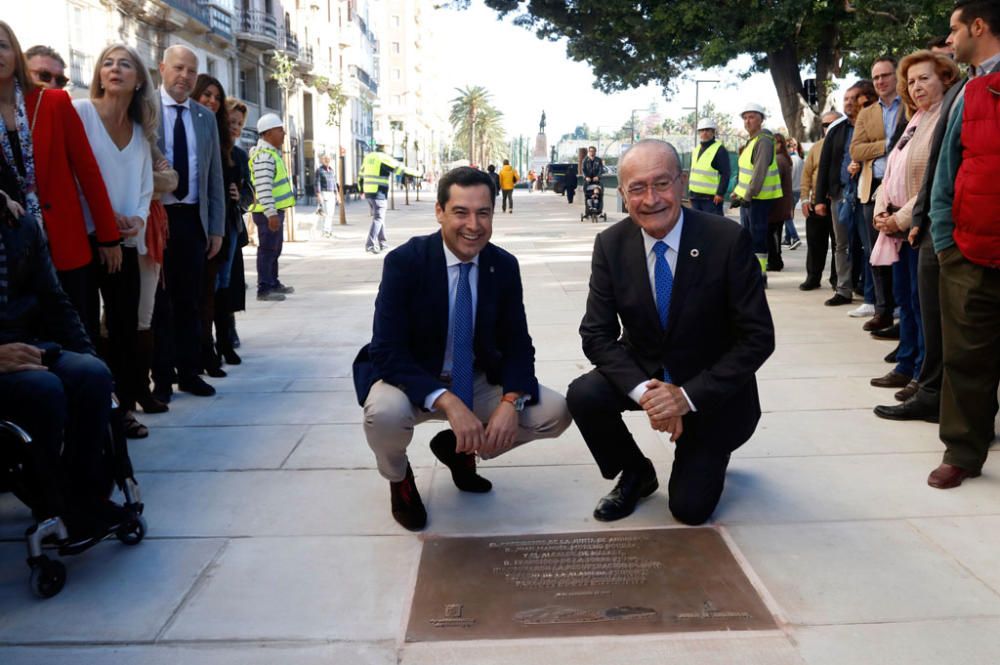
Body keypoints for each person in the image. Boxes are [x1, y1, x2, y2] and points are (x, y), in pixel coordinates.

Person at [566, 140, 774, 525]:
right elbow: (596, 334)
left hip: (712, 391)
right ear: (623, 193)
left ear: (681, 183)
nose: (651, 199)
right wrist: (650, 395)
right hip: (648, 370)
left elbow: (758, 337)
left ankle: (707, 450)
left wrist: (686, 398)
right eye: (637, 188)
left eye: (661, 184)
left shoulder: (725, 240)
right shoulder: (611, 244)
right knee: (584, 395)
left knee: (689, 510)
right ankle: (636, 472)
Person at [353, 166, 572, 531]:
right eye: (460, 212)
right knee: (384, 414)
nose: (474, 224)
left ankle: (457, 449)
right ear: (439, 212)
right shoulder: (406, 262)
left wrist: (510, 401)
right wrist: (448, 402)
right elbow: (386, 350)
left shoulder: (502, 266)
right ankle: (399, 478)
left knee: (555, 412)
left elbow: (518, 343)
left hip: (477, 378)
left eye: (483, 213)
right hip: (412, 380)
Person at [0, 170, 123, 542]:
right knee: (44, 389)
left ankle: (82, 496)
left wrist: (88, 353)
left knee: (92, 375)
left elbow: (55, 300)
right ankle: (55, 504)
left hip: (28, 343)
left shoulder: (20, 224)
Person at [0, 23, 121, 343]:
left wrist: (108, 237)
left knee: (79, 331)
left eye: (2, 45)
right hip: (10, 244)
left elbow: (88, 171)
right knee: (26, 337)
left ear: (16, 53)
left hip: (63, 239)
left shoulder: (52, 102)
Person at [924, 0, 1000, 489]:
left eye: (954, 29)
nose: (950, 39)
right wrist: (946, 243)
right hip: (970, 254)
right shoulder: (969, 93)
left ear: (979, 25)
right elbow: (945, 173)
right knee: (966, 359)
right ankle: (963, 450)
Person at [867, 51, 960, 403]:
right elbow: (891, 172)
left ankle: (923, 374)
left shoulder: (944, 118)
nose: (916, 86)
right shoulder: (915, 119)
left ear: (946, 79)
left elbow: (932, 181)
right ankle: (906, 363)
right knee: (905, 301)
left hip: (919, 226)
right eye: (911, 81)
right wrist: (881, 210)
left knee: (924, 308)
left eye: (925, 78)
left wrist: (900, 218)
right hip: (896, 226)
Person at [73, 43, 155, 439]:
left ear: (139, 80)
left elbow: (144, 186)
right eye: (107, 63)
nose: (115, 69)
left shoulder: (140, 132)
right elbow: (73, 176)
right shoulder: (80, 113)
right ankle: (91, 415)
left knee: (124, 330)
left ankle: (121, 409)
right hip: (85, 240)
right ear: (99, 75)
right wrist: (103, 222)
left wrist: (136, 220)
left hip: (124, 243)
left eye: (124, 64)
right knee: (86, 329)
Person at [151, 45, 225, 402]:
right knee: (157, 302)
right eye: (178, 68)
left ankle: (190, 372)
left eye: (191, 71)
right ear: (162, 68)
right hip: (155, 218)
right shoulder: (145, 110)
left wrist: (216, 228)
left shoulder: (204, 117)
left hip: (192, 221)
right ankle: (161, 378)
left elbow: (213, 176)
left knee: (189, 301)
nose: (184, 76)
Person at [850, 56, 907, 330]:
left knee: (903, 253)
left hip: (903, 186)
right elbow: (856, 151)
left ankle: (901, 309)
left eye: (886, 75)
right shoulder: (866, 113)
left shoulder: (910, 106)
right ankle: (883, 310)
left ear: (897, 75)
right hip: (871, 188)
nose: (881, 81)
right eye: (876, 77)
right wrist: (889, 144)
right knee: (876, 252)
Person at [815, 82, 874, 307]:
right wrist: (820, 198)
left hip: (867, 193)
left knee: (869, 245)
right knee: (842, 245)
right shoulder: (836, 130)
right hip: (840, 195)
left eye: (854, 98)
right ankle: (843, 289)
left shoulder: (874, 125)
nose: (849, 102)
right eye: (846, 99)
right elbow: (826, 164)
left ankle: (872, 293)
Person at [191, 74, 234, 377]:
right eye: (206, 95)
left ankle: (209, 351)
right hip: (187, 222)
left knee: (211, 293)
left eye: (216, 97)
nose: (211, 101)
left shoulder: (220, 135)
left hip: (218, 226)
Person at [216, 97, 253, 366]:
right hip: (210, 228)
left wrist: (239, 195)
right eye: (231, 122)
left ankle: (227, 333)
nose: (235, 128)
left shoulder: (240, 155)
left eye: (239, 124)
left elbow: (249, 193)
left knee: (228, 284)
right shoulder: (210, 149)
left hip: (231, 228)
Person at [731, 102, 781, 286]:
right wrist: (737, 194)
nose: (747, 121)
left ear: (761, 119)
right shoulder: (752, 141)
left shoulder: (763, 141)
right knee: (749, 237)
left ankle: (760, 276)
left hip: (758, 199)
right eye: (745, 117)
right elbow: (746, 172)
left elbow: (759, 172)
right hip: (749, 199)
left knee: (757, 237)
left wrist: (748, 195)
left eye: (752, 117)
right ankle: (753, 272)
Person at [248, 113, 295, 302]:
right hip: (268, 213)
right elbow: (263, 187)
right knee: (267, 249)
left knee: (274, 249)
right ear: (267, 133)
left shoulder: (272, 154)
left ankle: (273, 282)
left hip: (273, 212)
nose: (283, 134)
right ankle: (264, 288)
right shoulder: (264, 157)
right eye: (280, 130)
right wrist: (271, 213)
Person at [799, 111, 842, 291]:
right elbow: (806, 175)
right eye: (825, 125)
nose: (828, 128)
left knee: (839, 243)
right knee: (816, 242)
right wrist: (804, 200)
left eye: (832, 124)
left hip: (838, 200)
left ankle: (837, 279)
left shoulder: (847, 145)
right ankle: (813, 277)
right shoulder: (816, 148)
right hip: (816, 200)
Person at [360, 143, 402, 254]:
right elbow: (397, 169)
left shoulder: (368, 157)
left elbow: (360, 175)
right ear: (384, 149)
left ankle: (383, 243)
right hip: (379, 193)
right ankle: (370, 244)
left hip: (369, 193)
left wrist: (361, 190)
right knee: (378, 219)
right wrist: (414, 173)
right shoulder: (383, 158)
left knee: (379, 218)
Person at [687, 118, 731, 216]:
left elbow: (725, 173)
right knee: (697, 226)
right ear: (699, 133)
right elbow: (693, 173)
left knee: (714, 227)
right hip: (695, 197)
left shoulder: (719, 150)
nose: (704, 133)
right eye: (702, 130)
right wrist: (690, 194)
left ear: (713, 132)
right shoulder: (696, 149)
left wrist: (720, 193)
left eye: (707, 130)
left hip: (711, 199)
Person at [766, 133, 793, 272]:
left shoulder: (778, 160)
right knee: (775, 233)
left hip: (777, 203)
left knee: (772, 234)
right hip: (782, 203)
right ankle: (776, 259)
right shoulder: (785, 159)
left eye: (775, 143)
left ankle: (775, 260)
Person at [784, 137, 803, 248]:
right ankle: (787, 238)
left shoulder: (789, 161)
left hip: (789, 191)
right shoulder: (800, 160)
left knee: (786, 215)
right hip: (797, 191)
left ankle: (795, 237)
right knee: (789, 214)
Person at [315, 154, 338, 238]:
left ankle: (329, 230)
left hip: (332, 193)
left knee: (331, 213)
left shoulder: (331, 170)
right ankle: (325, 231)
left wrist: (337, 194)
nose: (327, 161)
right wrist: (318, 194)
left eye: (328, 159)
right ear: (322, 161)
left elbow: (334, 183)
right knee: (326, 213)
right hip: (324, 193)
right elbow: (317, 183)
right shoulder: (320, 170)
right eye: (325, 159)